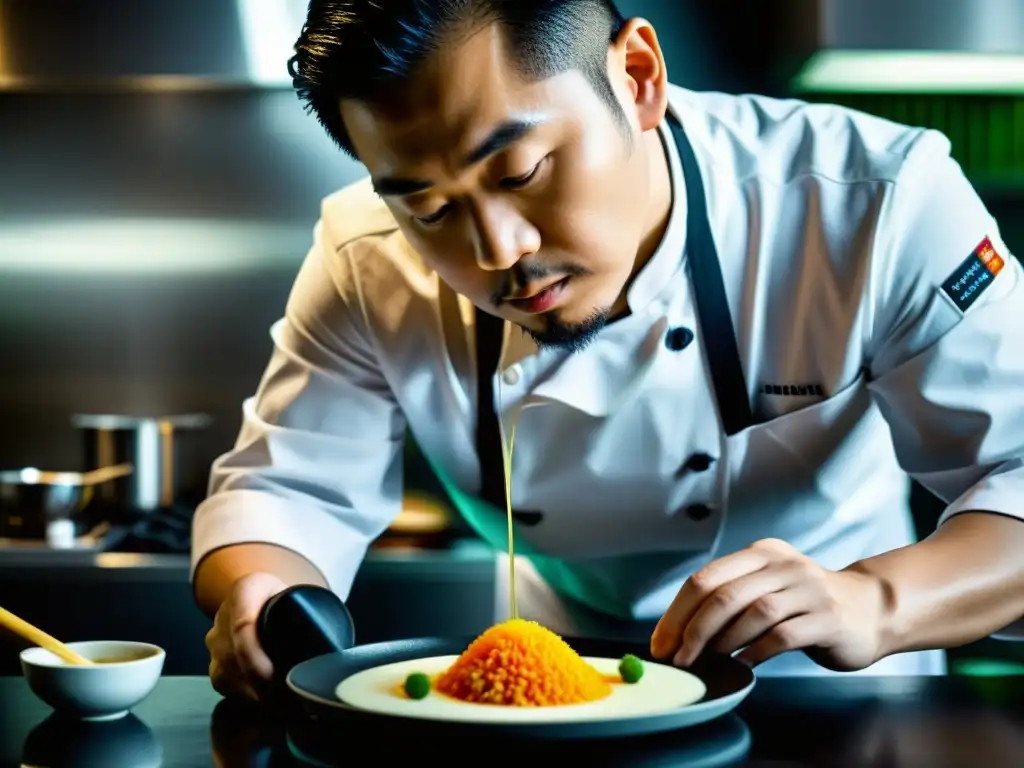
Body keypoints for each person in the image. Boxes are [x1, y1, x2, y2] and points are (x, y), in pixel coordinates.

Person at [192, 0, 1024, 703]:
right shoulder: (365, 254)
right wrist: (259, 591)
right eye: (430, 208)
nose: (497, 252)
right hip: (548, 694)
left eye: (521, 172)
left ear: (637, 78)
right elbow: (287, 491)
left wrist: (874, 601)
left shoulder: (873, 200)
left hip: (834, 695)